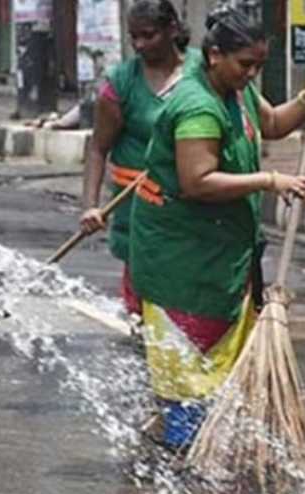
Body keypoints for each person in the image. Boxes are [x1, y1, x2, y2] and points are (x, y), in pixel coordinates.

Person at [128, 5, 305, 450]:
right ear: (214, 56)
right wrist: (270, 180)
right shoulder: (198, 107)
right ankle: (184, 474)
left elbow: (273, 124)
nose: (251, 73)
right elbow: (197, 181)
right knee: (189, 386)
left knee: (217, 387)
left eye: (259, 65)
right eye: (246, 65)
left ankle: (203, 460)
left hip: (222, 258)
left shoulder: (237, 91)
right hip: (183, 267)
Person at [81, 0, 201, 321]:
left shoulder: (205, 72)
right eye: (134, 36)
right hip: (139, 211)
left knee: (193, 307)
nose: (139, 45)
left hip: (194, 209)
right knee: (145, 310)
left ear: (172, 30)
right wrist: (90, 206)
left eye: (148, 35)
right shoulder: (121, 83)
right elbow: (97, 148)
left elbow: (261, 121)